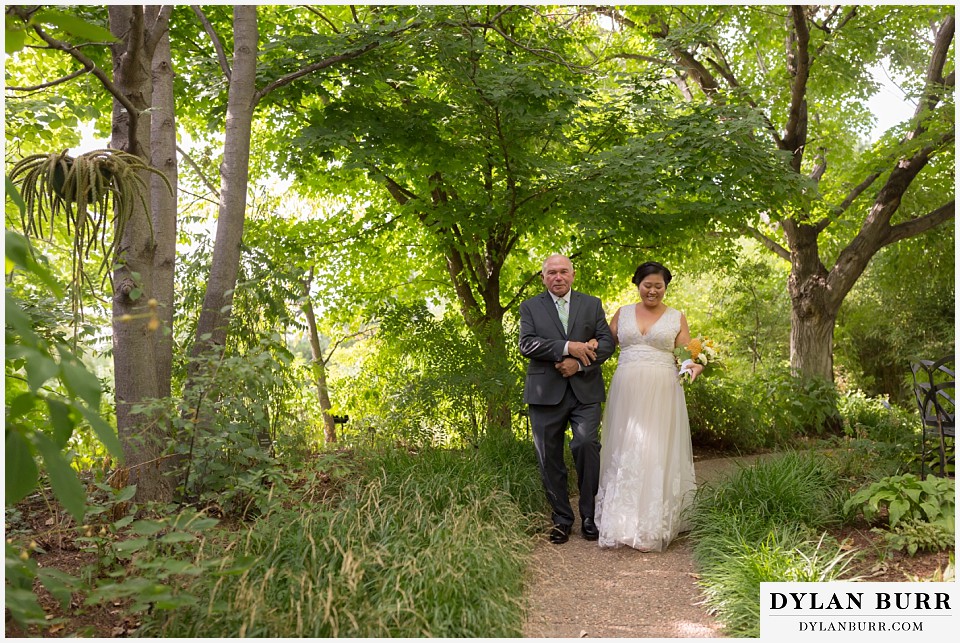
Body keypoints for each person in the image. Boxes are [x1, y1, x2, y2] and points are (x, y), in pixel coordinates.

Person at [595, 261, 703, 552]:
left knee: (655, 449)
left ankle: (655, 523)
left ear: (665, 287)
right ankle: (621, 521)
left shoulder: (676, 317)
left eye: (659, 286)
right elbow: (604, 344)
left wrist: (693, 366)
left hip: (662, 390)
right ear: (637, 284)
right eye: (647, 285)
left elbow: (686, 353)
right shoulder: (623, 313)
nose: (652, 291)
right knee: (625, 447)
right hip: (627, 390)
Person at [519, 254, 615, 544]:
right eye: (551, 273)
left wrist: (580, 363)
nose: (558, 277)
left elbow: (607, 343)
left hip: (585, 391)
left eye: (563, 272)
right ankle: (561, 518)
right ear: (543, 277)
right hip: (544, 394)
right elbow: (527, 343)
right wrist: (567, 347)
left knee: (587, 445)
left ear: (573, 275)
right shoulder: (530, 307)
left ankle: (589, 516)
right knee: (549, 457)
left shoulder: (592, 304)